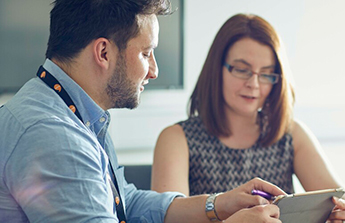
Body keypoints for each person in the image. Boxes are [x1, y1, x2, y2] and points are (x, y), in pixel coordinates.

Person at [0, 1, 287, 222]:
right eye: (146, 53)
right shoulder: (53, 135)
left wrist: (219, 205)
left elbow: (127, 201)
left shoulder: (73, 112)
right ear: (103, 53)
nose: (154, 70)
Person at [151, 13, 345, 221]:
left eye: (266, 74)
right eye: (242, 70)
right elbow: (167, 218)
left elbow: (336, 200)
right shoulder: (176, 139)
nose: (254, 84)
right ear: (217, 69)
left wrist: (338, 214)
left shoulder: (291, 134)